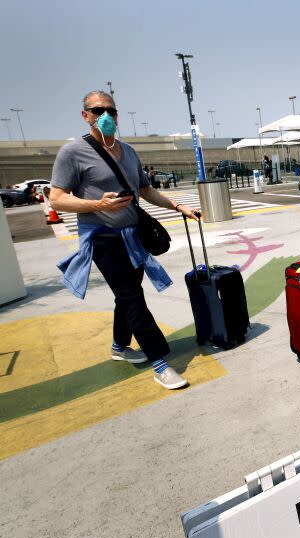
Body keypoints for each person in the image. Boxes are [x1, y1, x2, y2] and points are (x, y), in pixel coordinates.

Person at [49, 90, 200, 390]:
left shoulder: (129, 152)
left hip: (134, 237)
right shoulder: (73, 152)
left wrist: (178, 206)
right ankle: (160, 363)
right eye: (97, 110)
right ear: (86, 115)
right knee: (132, 297)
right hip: (103, 239)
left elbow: (145, 190)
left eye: (111, 111)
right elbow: (57, 199)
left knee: (126, 295)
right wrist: (97, 205)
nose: (105, 116)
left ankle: (119, 346)